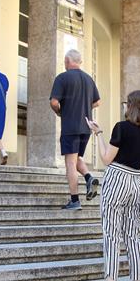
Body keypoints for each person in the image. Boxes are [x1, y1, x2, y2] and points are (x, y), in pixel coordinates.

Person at [86, 90, 140, 281]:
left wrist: (98, 134)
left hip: (116, 178)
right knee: (133, 238)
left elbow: (107, 159)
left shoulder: (121, 127)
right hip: (136, 183)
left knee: (112, 237)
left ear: (130, 105)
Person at [50, 49, 101, 210]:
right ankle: (88, 177)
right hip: (86, 127)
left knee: (70, 163)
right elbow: (98, 102)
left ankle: (74, 200)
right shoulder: (88, 79)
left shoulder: (62, 78)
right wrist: (84, 106)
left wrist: (60, 111)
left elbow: (54, 102)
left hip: (70, 126)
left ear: (67, 60)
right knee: (77, 158)